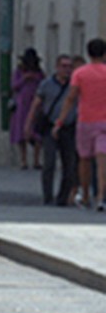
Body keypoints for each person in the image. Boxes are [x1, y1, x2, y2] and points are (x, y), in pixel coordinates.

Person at [55, 38, 106, 211]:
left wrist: (60, 121)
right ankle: (100, 196)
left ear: (88, 53)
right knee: (102, 160)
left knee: (84, 159)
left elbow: (71, 98)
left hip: (85, 121)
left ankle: (85, 195)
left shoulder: (80, 74)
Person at [26, 53, 77, 207]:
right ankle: (48, 196)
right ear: (57, 67)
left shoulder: (75, 85)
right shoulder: (46, 84)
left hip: (69, 127)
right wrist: (28, 124)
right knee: (49, 163)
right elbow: (36, 105)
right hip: (50, 127)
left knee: (69, 164)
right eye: (64, 66)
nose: (67, 70)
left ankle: (62, 198)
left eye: (69, 67)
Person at [10, 48, 44, 170]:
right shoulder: (19, 71)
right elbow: (14, 86)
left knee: (37, 132)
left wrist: (35, 78)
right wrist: (24, 78)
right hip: (22, 104)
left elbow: (43, 85)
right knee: (21, 131)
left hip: (36, 103)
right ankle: (23, 160)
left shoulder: (39, 72)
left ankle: (36, 160)